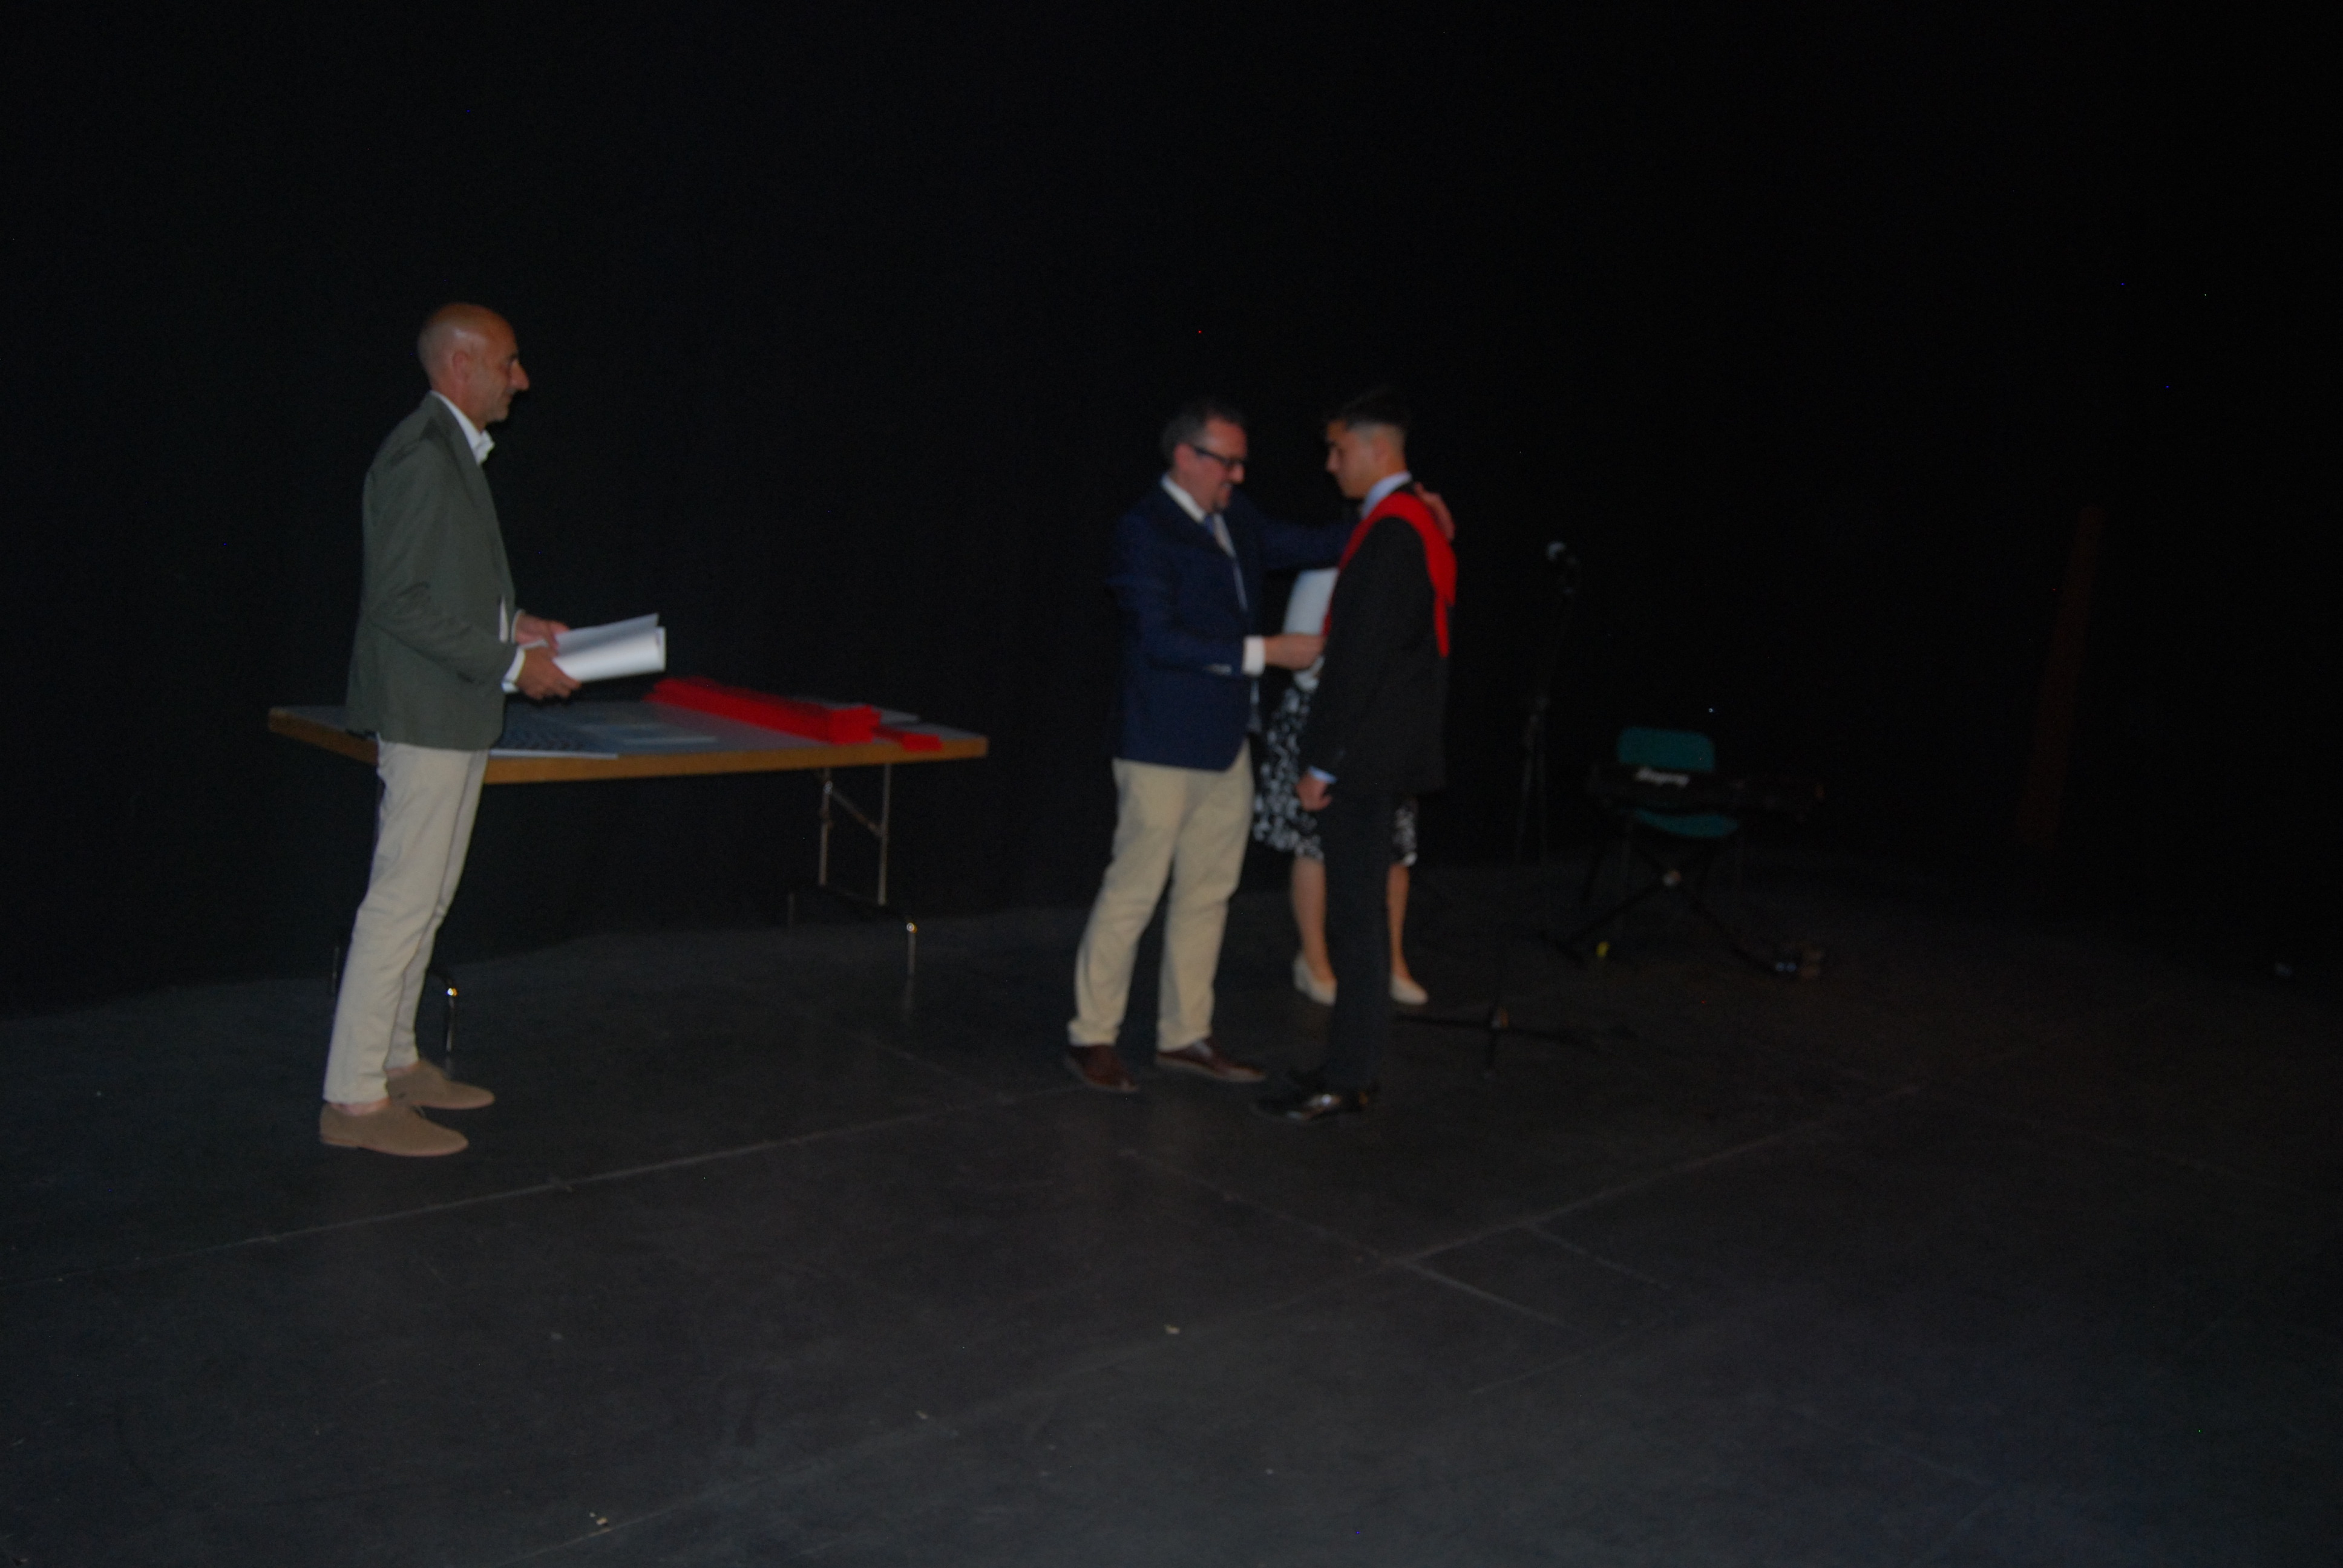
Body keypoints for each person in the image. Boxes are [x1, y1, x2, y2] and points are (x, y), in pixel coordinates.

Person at [319, 304, 579, 1157]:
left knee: (425, 900)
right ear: (461, 366)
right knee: (401, 902)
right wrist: (510, 663)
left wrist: (518, 627)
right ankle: (353, 1100)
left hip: (453, 709)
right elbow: (397, 604)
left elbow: (444, 591)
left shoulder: (450, 453)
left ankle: (395, 1063)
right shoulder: (423, 456)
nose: (521, 380)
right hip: (427, 711)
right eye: (509, 362)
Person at [1064, 399, 1343, 1093]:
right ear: (1185, 457)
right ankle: (1091, 1034)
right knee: (1134, 889)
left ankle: (1184, 1033)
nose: (1238, 476)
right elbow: (1158, 639)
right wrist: (1265, 651)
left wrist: (1392, 515)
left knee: (1209, 892)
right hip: (1160, 742)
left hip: (1224, 741)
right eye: (1227, 462)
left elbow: (1309, 543)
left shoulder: (1233, 517)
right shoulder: (1143, 529)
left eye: (1241, 463)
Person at [1258, 389, 1455, 1123]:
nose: (1331, 464)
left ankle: (1347, 1076)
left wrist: (1323, 762)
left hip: (1364, 756)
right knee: (1362, 917)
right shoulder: (1412, 524)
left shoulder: (1393, 531)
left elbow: (1358, 659)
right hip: (1384, 751)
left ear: (1375, 449)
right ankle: (1352, 1064)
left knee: (1356, 920)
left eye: (1339, 450)